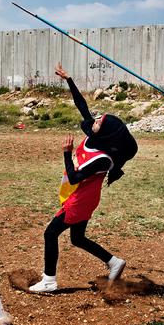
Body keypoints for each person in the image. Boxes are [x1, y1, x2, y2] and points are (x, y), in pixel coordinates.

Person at [30, 63, 138, 293]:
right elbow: (83, 106)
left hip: (81, 199)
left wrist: (67, 154)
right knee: (77, 238)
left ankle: (49, 280)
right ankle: (114, 262)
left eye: (100, 122)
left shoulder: (102, 159)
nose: (96, 120)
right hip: (83, 195)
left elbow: (74, 176)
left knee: (51, 233)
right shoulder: (95, 137)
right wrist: (69, 79)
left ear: (106, 132)